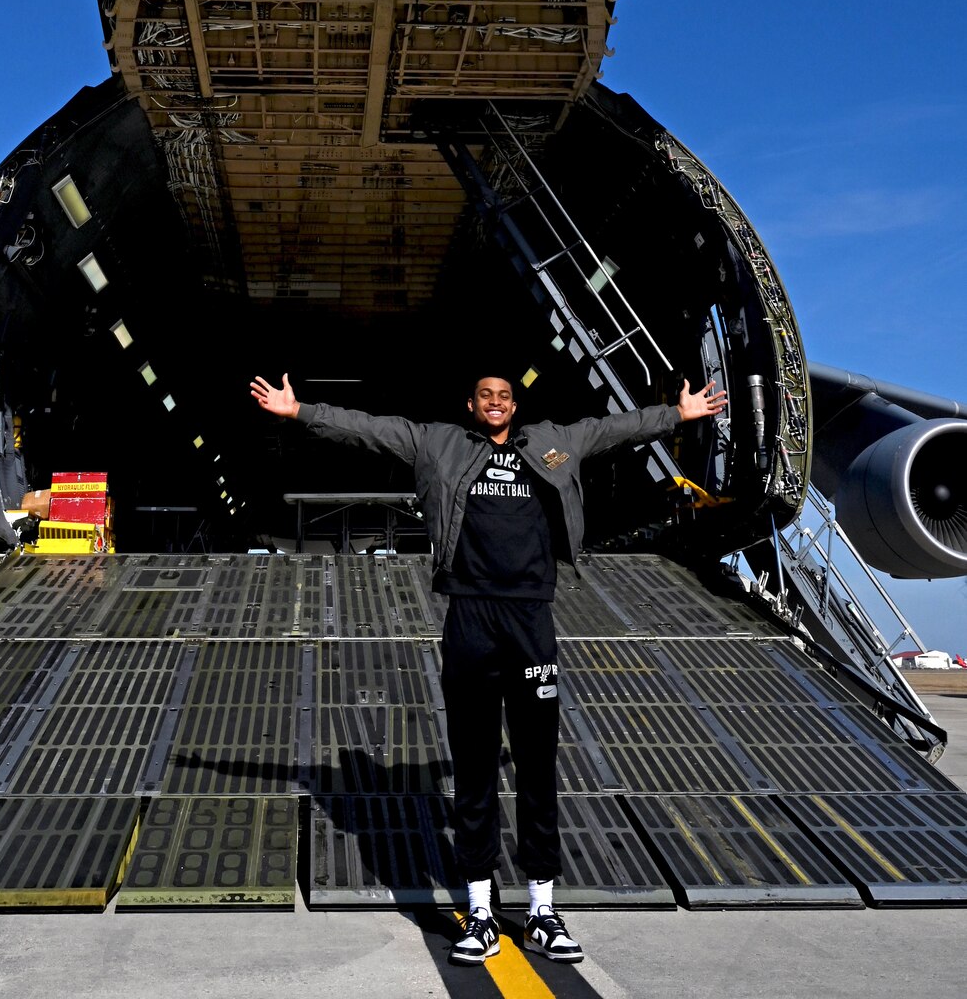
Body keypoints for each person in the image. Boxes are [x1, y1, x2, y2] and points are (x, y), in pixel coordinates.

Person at [250, 367, 727, 965]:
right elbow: (369, 430)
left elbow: (611, 429)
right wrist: (301, 413)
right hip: (470, 620)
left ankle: (542, 910)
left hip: (532, 621)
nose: (496, 403)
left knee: (535, 765)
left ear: (514, 405)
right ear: (471, 405)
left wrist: (675, 417)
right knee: (474, 766)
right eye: (486, 396)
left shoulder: (552, 442)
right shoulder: (439, 443)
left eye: (504, 396)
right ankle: (479, 910)